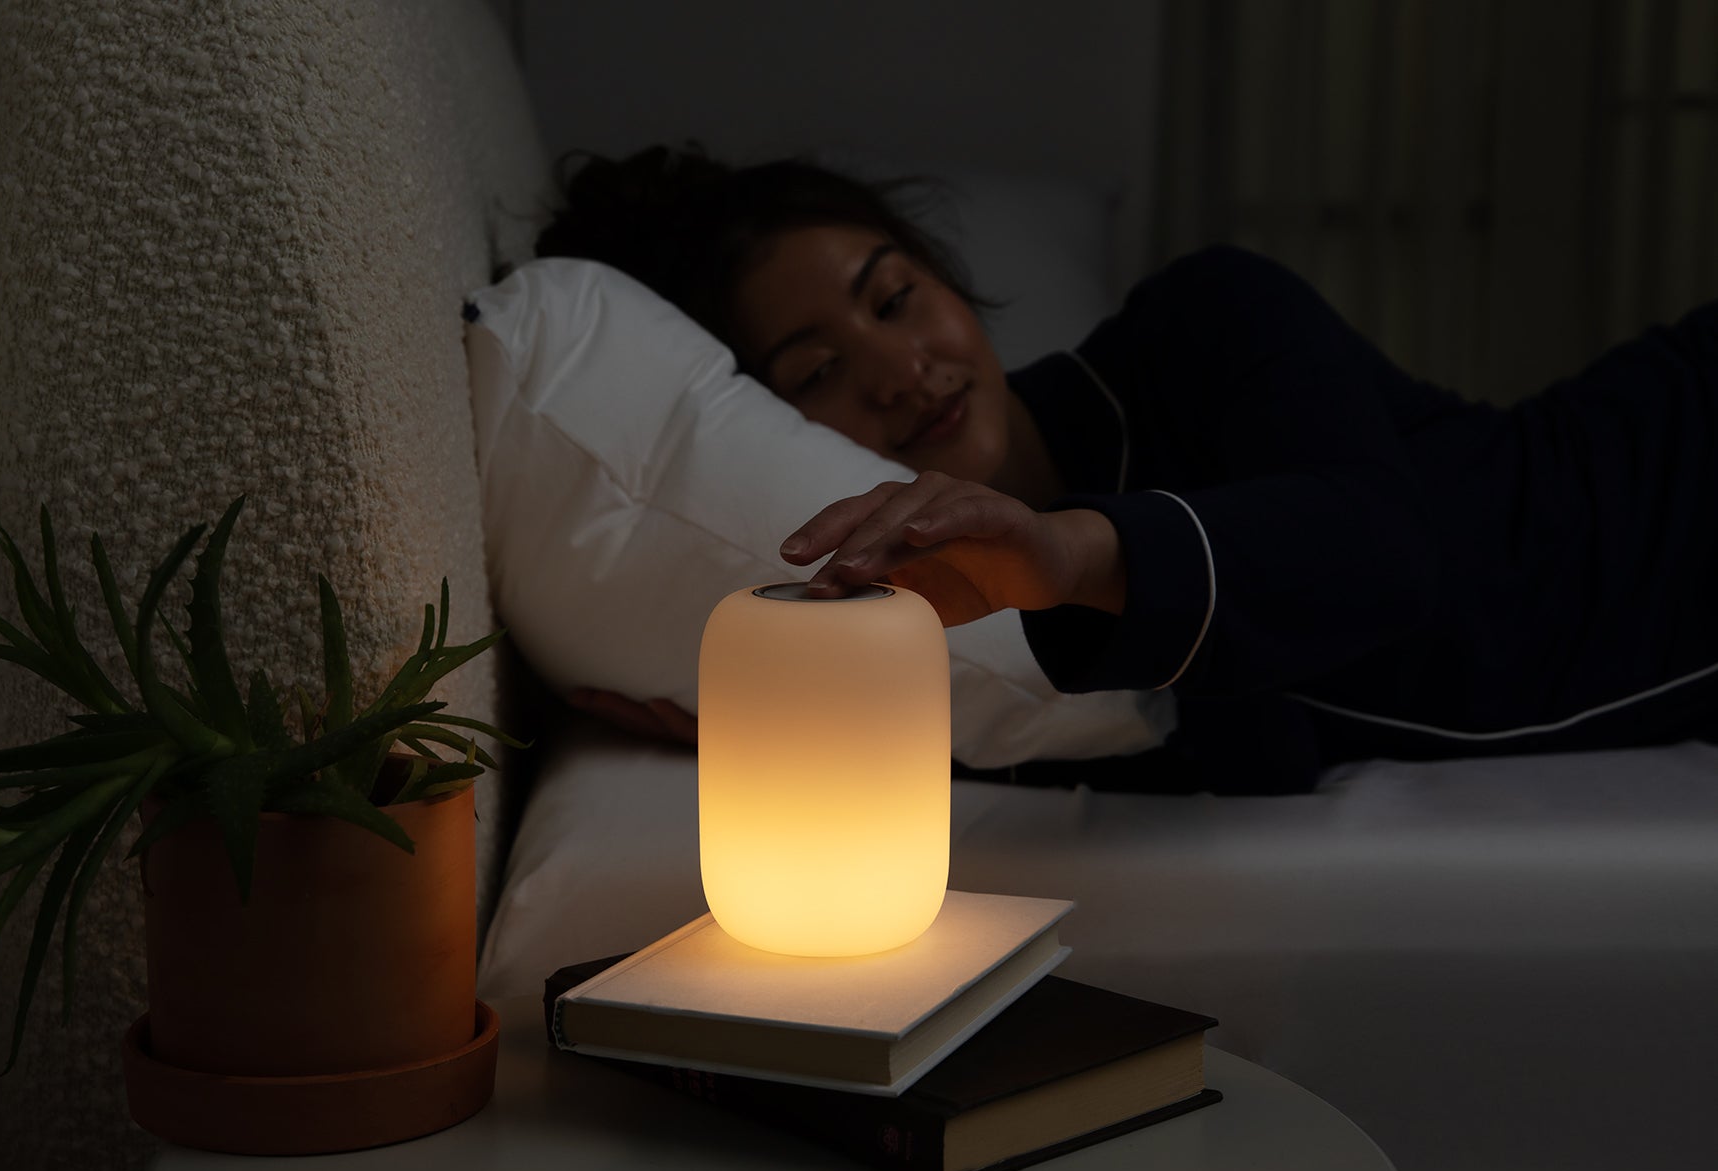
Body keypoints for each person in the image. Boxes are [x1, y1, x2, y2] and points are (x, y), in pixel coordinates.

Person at [536, 144, 1718, 793]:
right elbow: (1253, 751)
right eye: (815, 375)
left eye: (897, 299)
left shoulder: (1207, 319)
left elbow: (1378, 557)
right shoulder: (974, 626)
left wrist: (1068, 553)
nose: (903, 371)